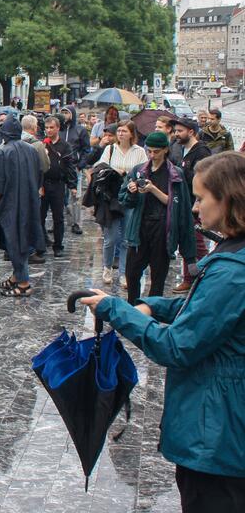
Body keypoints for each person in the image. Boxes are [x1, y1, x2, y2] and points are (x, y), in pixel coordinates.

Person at [79, 152, 245, 513]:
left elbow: (177, 345)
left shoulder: (233, 272)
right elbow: (208, 312)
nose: (196, 209)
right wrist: (156, 305)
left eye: (202, 199)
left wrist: (115, 308)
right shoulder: (234, 256)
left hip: (217, 440)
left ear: (229, 199)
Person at [119, 131, 196, 304]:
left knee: (158, 276)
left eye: (156, 151)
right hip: (140, 227)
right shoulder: (139, 170)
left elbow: (177, 206)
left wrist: (153, 189)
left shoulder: (175, 174)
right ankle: (133, 309)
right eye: (149, 151)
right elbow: (124, 200)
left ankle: (152, 311)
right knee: (132, 273)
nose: (152, 155)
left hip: (162, 229)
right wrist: (131, 192)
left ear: (165, 150)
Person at [0, 117, 44, 296]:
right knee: (23, 240)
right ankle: (17, 276)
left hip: (11, 205)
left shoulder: (3, 152)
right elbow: (39, 173)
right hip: (30, 201)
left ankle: (24, 283)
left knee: (15, 243)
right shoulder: (31, 150)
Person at [93, 121, 146, 284]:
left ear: (131, 133)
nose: (121, 133)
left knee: (126, 239)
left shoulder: (139, 151)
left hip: (130, 197)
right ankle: (107, 267)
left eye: (124, 131)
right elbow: (99, 167)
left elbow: (144, 171)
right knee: (111, 237)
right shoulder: (110, 149)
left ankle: (124, 272)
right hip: (112, 197)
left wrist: (133, 177)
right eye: (119, 131)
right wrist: (115, 171)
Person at [171, 118, 212, 293]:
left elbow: (203, 180)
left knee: (196, 242)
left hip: (194, 203)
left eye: (180, 131)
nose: (176, 134)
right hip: (182, 201)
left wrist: (197, 203)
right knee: (186, 241)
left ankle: (199, 276)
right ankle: (191, 276)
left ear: (191, 132)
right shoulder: (181, 149)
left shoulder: (201, 152)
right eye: (175, 130)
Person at [37, 115, 77, 258]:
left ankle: (58, 245)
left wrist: (72, 184)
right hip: (44, 184)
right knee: (40, 216)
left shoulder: (65, 146)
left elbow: (69, 166)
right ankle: (41, 244)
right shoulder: (42, 144)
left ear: (58, 128)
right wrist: (39, 184)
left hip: (58, 184)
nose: (49, 130)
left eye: (51, 128)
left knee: (58, 217)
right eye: (47, 128)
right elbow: (38, 166)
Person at [59, 105, 91, 236]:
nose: (65, 115)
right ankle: (62, 220)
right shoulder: (59, 130)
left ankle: (77, 223)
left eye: (67, 112)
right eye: (63, 113)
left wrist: (80, 165)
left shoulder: (80, 130)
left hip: (74, 167)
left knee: (75, 197)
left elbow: (86, 150)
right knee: (61, 195)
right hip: (60, 168)